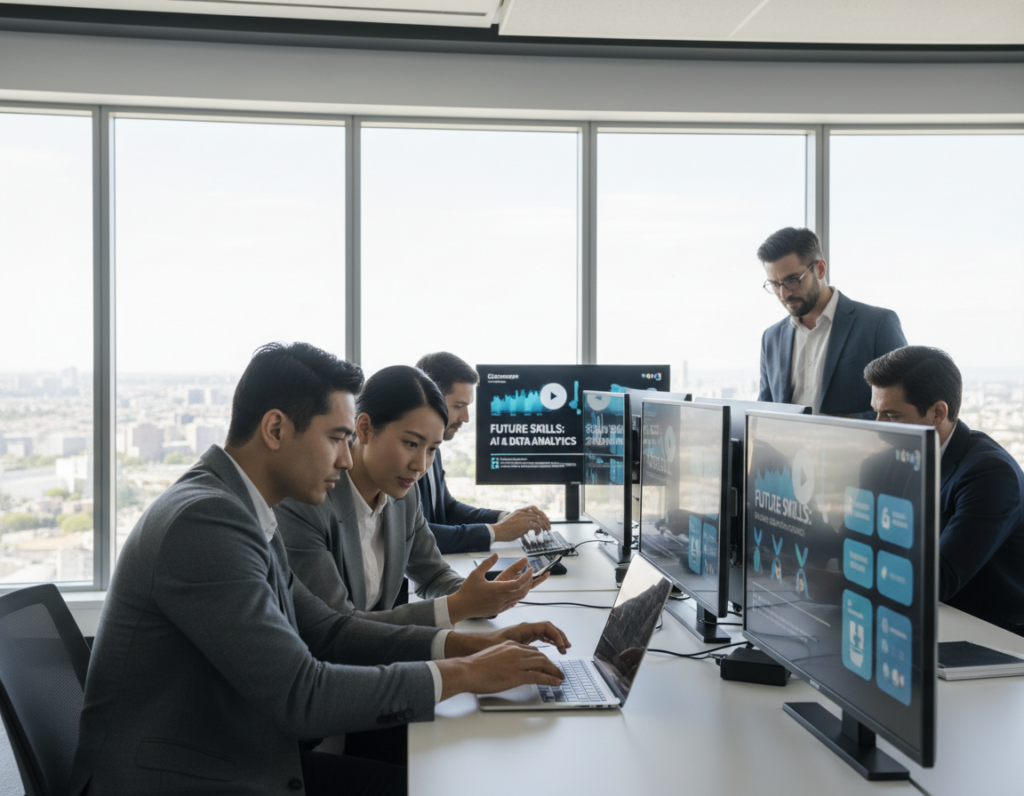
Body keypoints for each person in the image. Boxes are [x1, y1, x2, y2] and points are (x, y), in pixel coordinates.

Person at [69, 343, 569, 796]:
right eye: (336, 438)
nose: (348, 460)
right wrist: (464, 673)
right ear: (275, 429)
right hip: (187, 779)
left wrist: (472, 646)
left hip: (231, 752)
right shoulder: (205, 521)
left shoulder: (242, 509)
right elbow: (301, 694)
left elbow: (329, 630)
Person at [276, 364, 546, 627]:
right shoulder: (308, 503)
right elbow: (337, 628)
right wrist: (459, 607)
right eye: (411, 444)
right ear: (365, 428)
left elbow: (433, 575)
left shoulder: (404, 496)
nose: (420, 466)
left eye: (431, 450)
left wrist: (482, 595)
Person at [864, 345, 1024, 634]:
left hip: (987, 633)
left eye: (892, 415)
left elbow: (939, 579)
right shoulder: (883, 463)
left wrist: (840, 578)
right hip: (914, 614)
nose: (880, 428)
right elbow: (857, 539)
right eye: (876, 412)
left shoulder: (990, 474)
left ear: (937, 412)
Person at [757, 227, 907, 417]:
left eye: (793, 280)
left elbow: (904, 407)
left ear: (820, 269)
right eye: (775, 284)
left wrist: (836, 432)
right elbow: (764, 413)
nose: (784, 293)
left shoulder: (877, 325)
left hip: (858, 446)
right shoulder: (771, 338)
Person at [415, 351, 551, 553]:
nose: (466, 418)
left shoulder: (434, 450)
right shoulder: (406, 458)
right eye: (459, 406)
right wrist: (496, 532)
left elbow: (447, 508)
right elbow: (416, 536)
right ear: (430, 399)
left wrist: (504, 519)